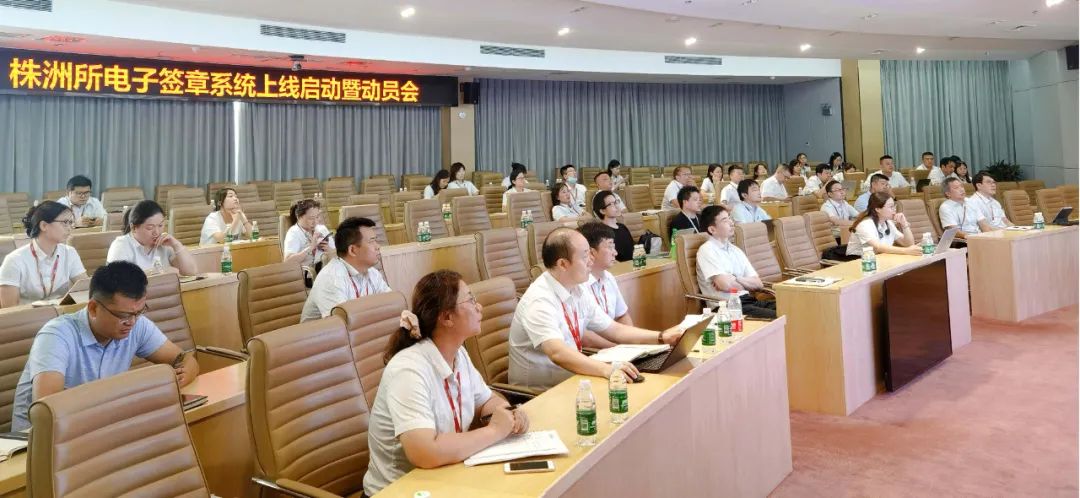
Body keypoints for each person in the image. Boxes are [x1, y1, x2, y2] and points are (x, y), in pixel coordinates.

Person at [362, 270, 529, 496]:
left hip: (446, 476)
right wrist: (495, 430)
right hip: (400, 490)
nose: (479, 307)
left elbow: (486, 400)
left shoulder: (458, 354)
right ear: (447, 317)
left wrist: (507, 413)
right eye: (470, 300)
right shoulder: (408, 369)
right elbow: (425, 452)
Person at [9, 261, 199, 432]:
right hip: (39, 439)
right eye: (123, 315)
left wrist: (186, 371)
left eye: (139, 312)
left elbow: (184, 358)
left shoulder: (137, 324)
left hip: (98, 426)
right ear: (93, 308)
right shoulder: (56, 335)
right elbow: (48, 408)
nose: (132, 322)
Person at [508, 228, 684, 390]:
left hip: (573, 378)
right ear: (563, 264)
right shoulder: (539, 300)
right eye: (585, 255)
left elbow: (613, 329)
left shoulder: (577, 288)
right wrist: (607, 369)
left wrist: (661, 337)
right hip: (540, 392)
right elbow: (557, 352)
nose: (591, 260)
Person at [300, 217, 391, 321]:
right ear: (352, 250)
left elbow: (390, 302)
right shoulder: (331, 278)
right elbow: (342, 324)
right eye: (372, 241)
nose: (378, 246)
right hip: (324, 331)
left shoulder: (372, 272)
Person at [696, 205, 777, 319]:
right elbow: (725, 285)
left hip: (749, 301)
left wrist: (736, 278)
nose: (731, 222)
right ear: (712, 230)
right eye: (725, 220)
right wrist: (745, 285)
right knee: (778, 316)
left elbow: (758, 284)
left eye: (730, 218)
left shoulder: (736, 250)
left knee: (790, 308)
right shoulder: (707, 250)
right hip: (726, 306)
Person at [0, 202, 87, 307]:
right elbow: (9, 309)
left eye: (71, 222)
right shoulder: (14, 260)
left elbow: (85, 289)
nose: (69, 228)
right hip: (27, 316)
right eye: (65, 222)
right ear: (44, 226)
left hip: (61, 313)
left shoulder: (69, 253)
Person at [106, 200, 197, 275]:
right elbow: (119, 281)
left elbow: (190, 272)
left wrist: (176, 245)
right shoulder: (121, 245)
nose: (157, 232)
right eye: (150, 228)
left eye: (160, 225)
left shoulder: (165, 243)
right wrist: (160, 272)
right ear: (133, 228)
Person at [580, 222, 633, 324]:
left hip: (613, 332)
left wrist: (631, 334)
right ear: (591, 252)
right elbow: (584, 331)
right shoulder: (579, 285)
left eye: (614, 247)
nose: (615, 253)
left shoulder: (608, 277)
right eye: (610, 247)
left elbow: (622, 315)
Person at [846, 192, 921, 256]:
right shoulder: (865, 224)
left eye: (894, 206)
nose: (894, 209)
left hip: (879, 258)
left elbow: (909, 244)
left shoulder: (888, 223)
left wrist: (904, 225)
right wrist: (906, 251)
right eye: (891, 207)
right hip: (857, 261)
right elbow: (878, 247)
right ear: (877, 209)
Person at [283, 199, 335, 268]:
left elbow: (336, 254)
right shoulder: (293, 233)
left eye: (317, 217)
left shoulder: (322, 228)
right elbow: (288, 261)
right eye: (311, 218)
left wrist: (328, 249)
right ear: (298, 217)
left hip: (326, 268)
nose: (315, 222)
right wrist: (311, 248)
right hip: (306, 273)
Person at [592, 190, 634, 262]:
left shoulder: (622, 227)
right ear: (602, 211)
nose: (617, 206)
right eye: (611, 204)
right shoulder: (601, 232)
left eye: (616, 202)